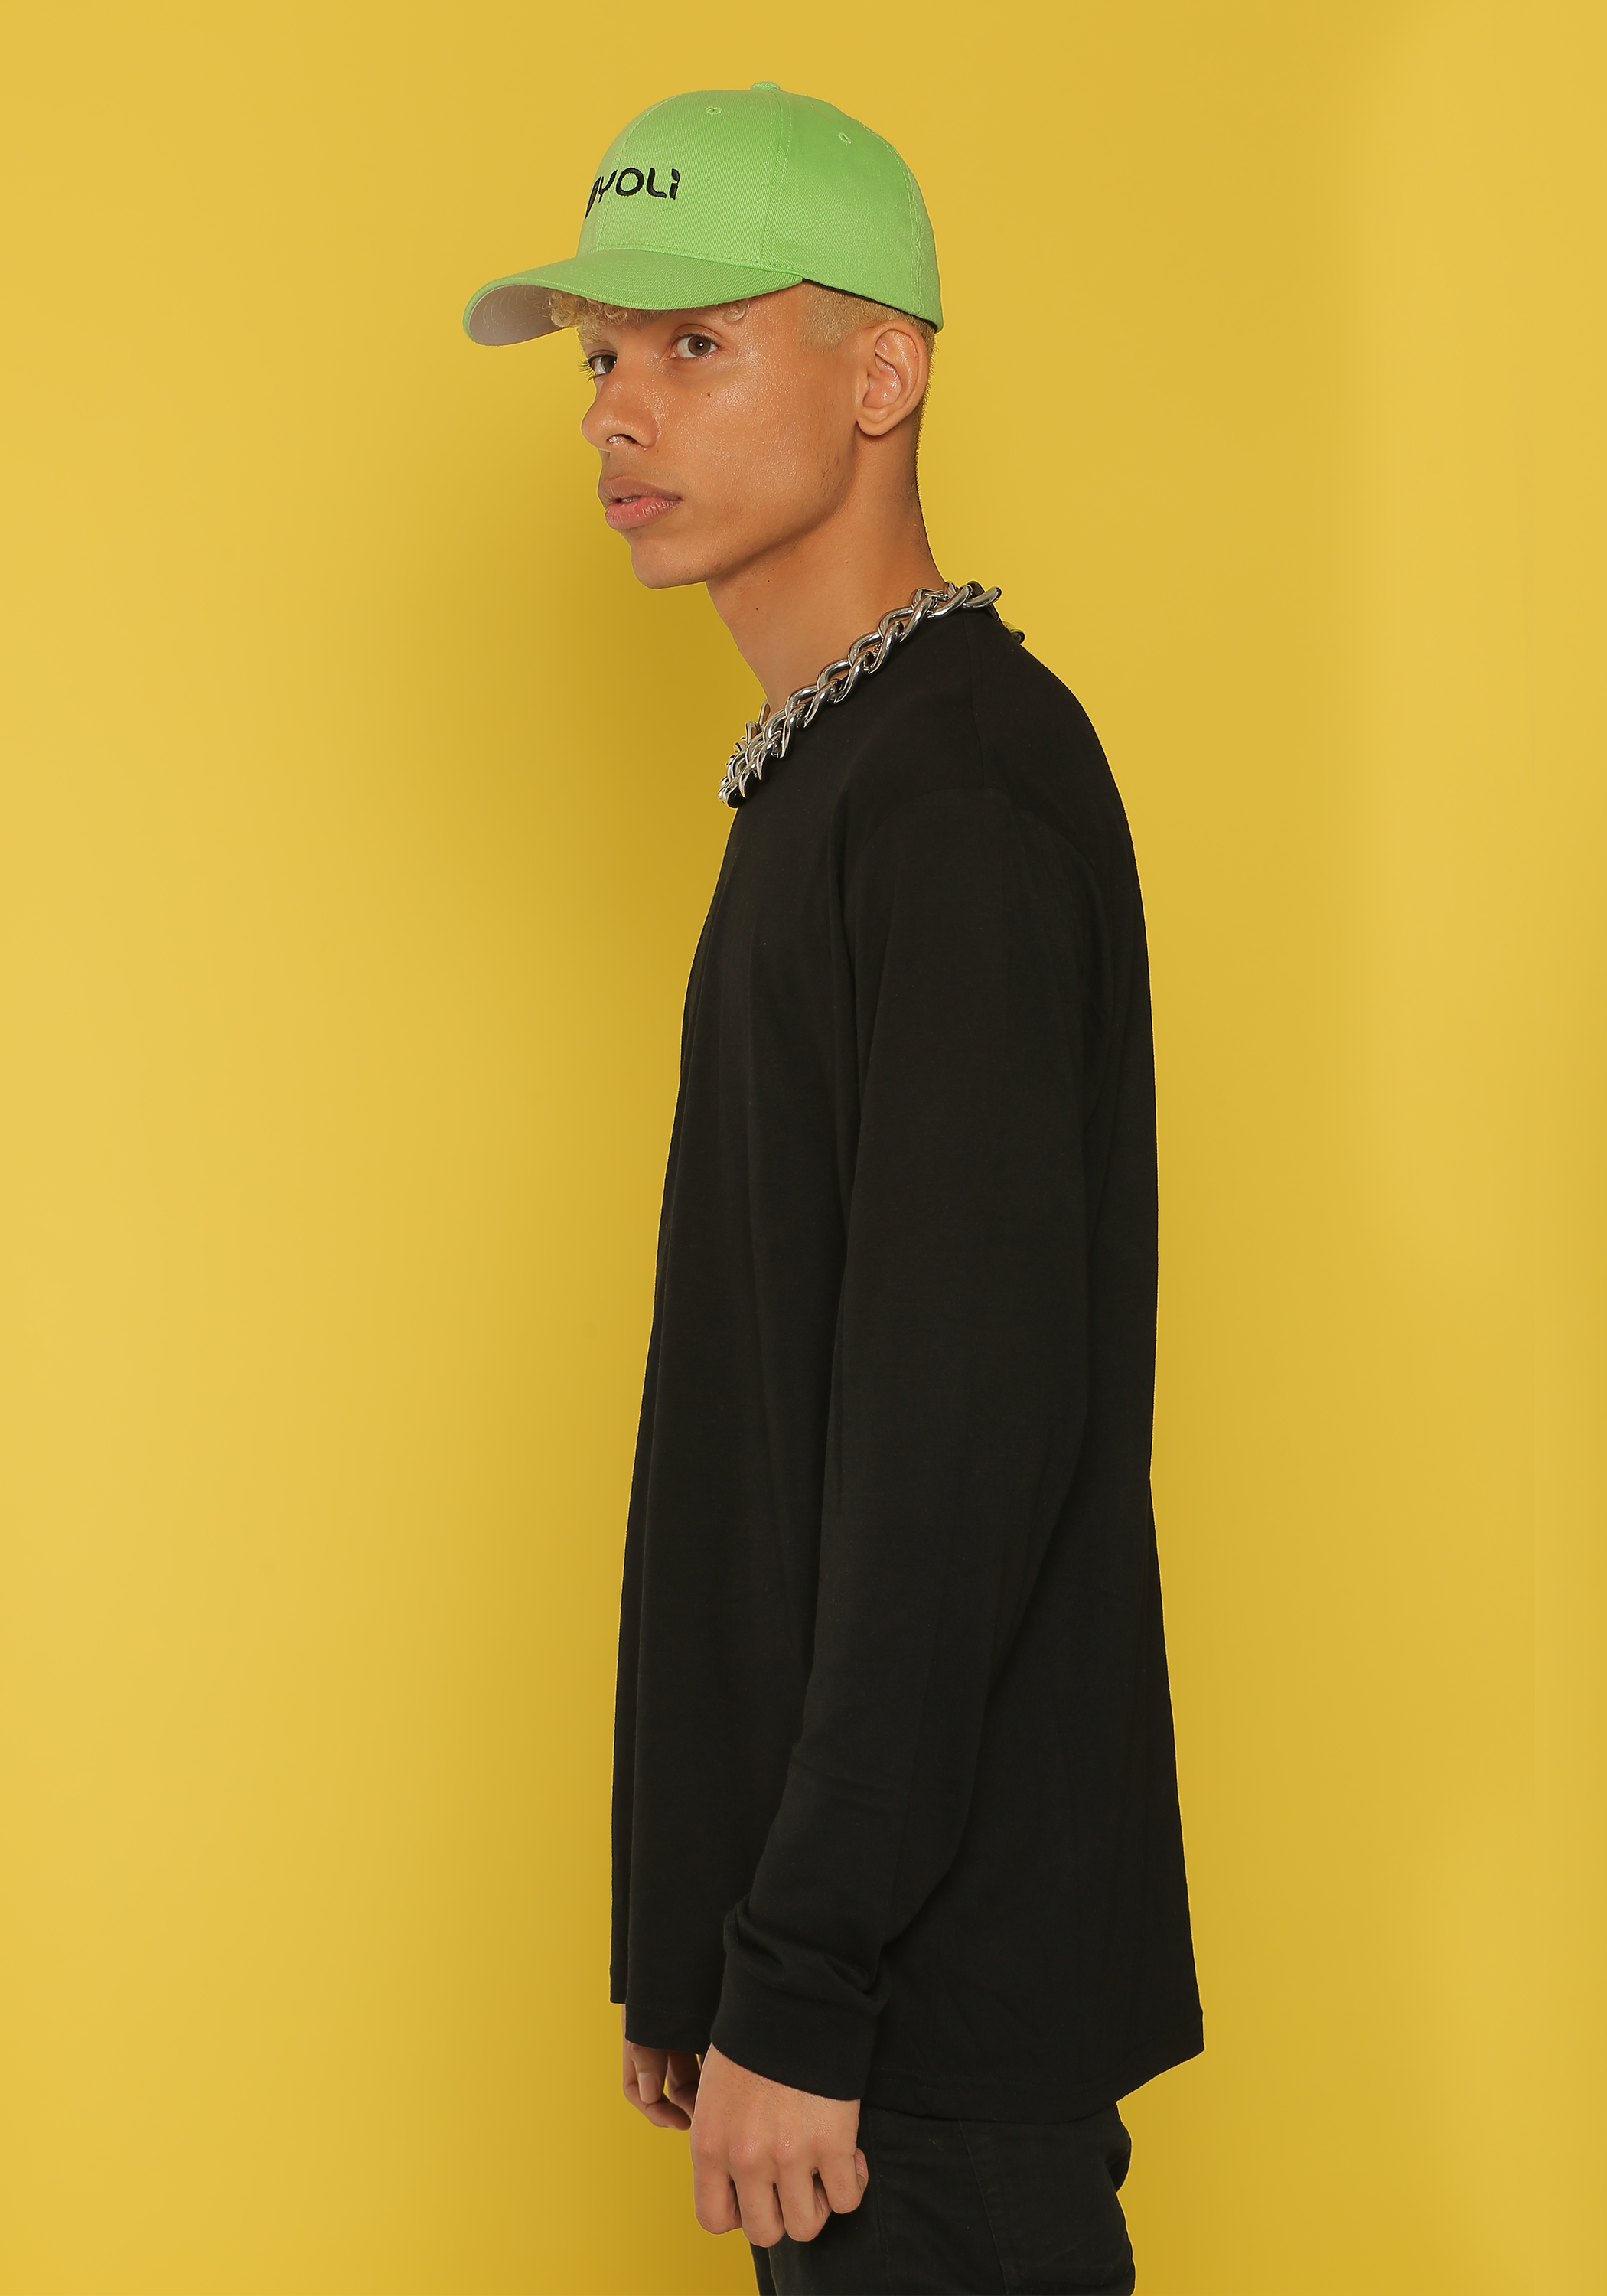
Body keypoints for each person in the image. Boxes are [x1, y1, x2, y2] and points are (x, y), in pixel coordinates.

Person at [464, 81, 1202, 2294]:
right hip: (851, 1995)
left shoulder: (954, 799)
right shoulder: (835, 782)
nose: (620, 408)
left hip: (924, 2029)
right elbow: (774, 1407)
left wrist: (798, 1968)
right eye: (603, 354)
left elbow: (953, 1452)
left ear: (881, 375)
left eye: (697, 345)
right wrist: (707, 1935)